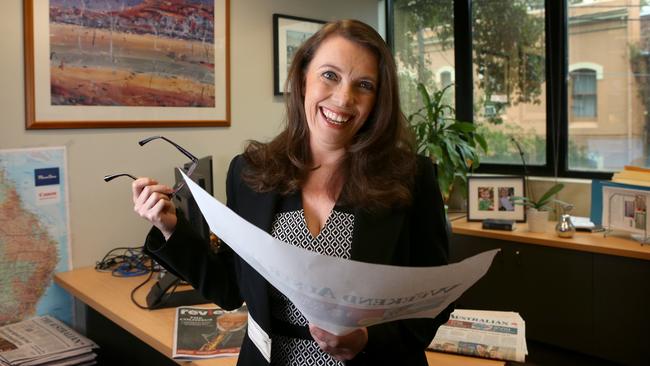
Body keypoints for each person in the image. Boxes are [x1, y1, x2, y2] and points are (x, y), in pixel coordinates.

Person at [132, 19, 451, 366]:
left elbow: (433, 303)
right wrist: (169, 228)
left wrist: (367, 340)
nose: (344, 98)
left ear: (378, 100)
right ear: (302, 79)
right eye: (330, 75)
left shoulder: (412, 178)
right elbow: (230, 288)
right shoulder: (250, 173)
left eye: (364, 85)